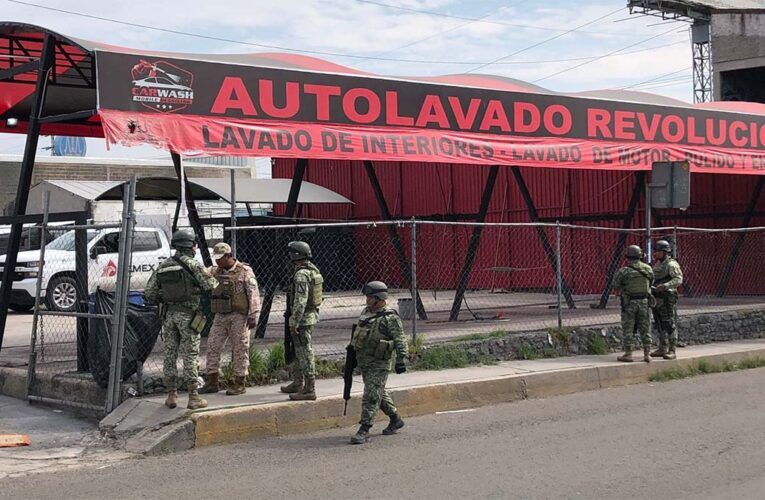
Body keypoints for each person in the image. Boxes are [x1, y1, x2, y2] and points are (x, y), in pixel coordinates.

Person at [145, 229, 218, 410]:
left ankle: (171, 395)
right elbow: (211, 286)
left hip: (168, 316)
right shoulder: (194, 265)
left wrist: (167, 295)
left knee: (169, 355)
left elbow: (149, 294)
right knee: (190, 355)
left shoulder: (163, 266)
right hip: (188, 316)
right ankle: (193, 397)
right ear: (190, 246)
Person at [348, 281, 408, 445]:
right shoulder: (366, 313)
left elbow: (400, 340)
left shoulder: (390, 318)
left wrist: (401, 359)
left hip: (379, 363)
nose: (367, 300)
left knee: (371, 396)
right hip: (365, 361)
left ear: (378, 298)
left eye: (370, 297)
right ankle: (395, 418)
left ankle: (364, 429)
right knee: (377, 392)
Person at [200, 242, 261, 396]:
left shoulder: (244, 271)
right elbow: (202, 274)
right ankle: (212, 381)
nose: (217, 261)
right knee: (213, 346)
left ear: (228, 256)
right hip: (220, 315)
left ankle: (240, 383)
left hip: (239, 316)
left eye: (220, 258)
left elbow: (253, 293)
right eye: (216, 258)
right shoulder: (216, 270)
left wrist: (253, 315)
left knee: (240, 348)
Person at [281, 241, 323, 401]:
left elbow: (300, 300)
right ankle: (298, 383)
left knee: (305, 353)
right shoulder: (312, 270)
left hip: (302, 319)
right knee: (299, 352)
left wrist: (294, 321)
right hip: (310, 316)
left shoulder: (301, 274)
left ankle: (309, 389)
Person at [612, 245, 654, 363]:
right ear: (640, 256)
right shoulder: (647, 269)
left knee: (628, 328)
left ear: (628, 257)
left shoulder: (624, 271)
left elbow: (615, 285)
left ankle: (628, 354)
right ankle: (647, 354)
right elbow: (651, 281)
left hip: (629, 303)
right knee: (645, 327)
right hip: (644, 302)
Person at [651, 240, 683, 360]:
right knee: (658, 322)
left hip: (667, 297)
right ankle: (662, 347)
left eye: (658, 251)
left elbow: (678, 279)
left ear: (664, 252)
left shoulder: (671, 265)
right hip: (657, 297)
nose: (656, 253)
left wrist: (665, 286)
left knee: (668, 323)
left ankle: (672, 350)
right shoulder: (658, 264)